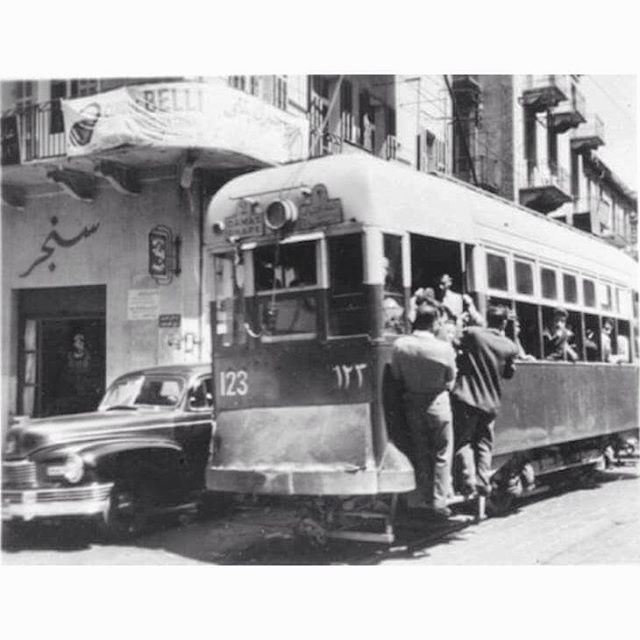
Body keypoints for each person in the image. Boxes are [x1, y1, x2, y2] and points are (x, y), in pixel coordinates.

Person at [391, 303, 457, 518]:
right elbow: (450, 379)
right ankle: (439, 501)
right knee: (442, 452)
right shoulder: (444, 348)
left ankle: (419, 499)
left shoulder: (400, 345)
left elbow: (397, 377)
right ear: (435, 322)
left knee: (419, 450)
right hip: (438, 404)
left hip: (412, 404)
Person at [452, 305, 519, 498]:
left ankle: (469, 481)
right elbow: (508, 374)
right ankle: (483, 482)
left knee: (463, 442)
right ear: (504, 323)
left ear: (487, 319)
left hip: (467, 399)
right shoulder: (509, 346)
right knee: (484, 444)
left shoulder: (474, 334)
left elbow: (455, 342)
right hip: (490, 403)